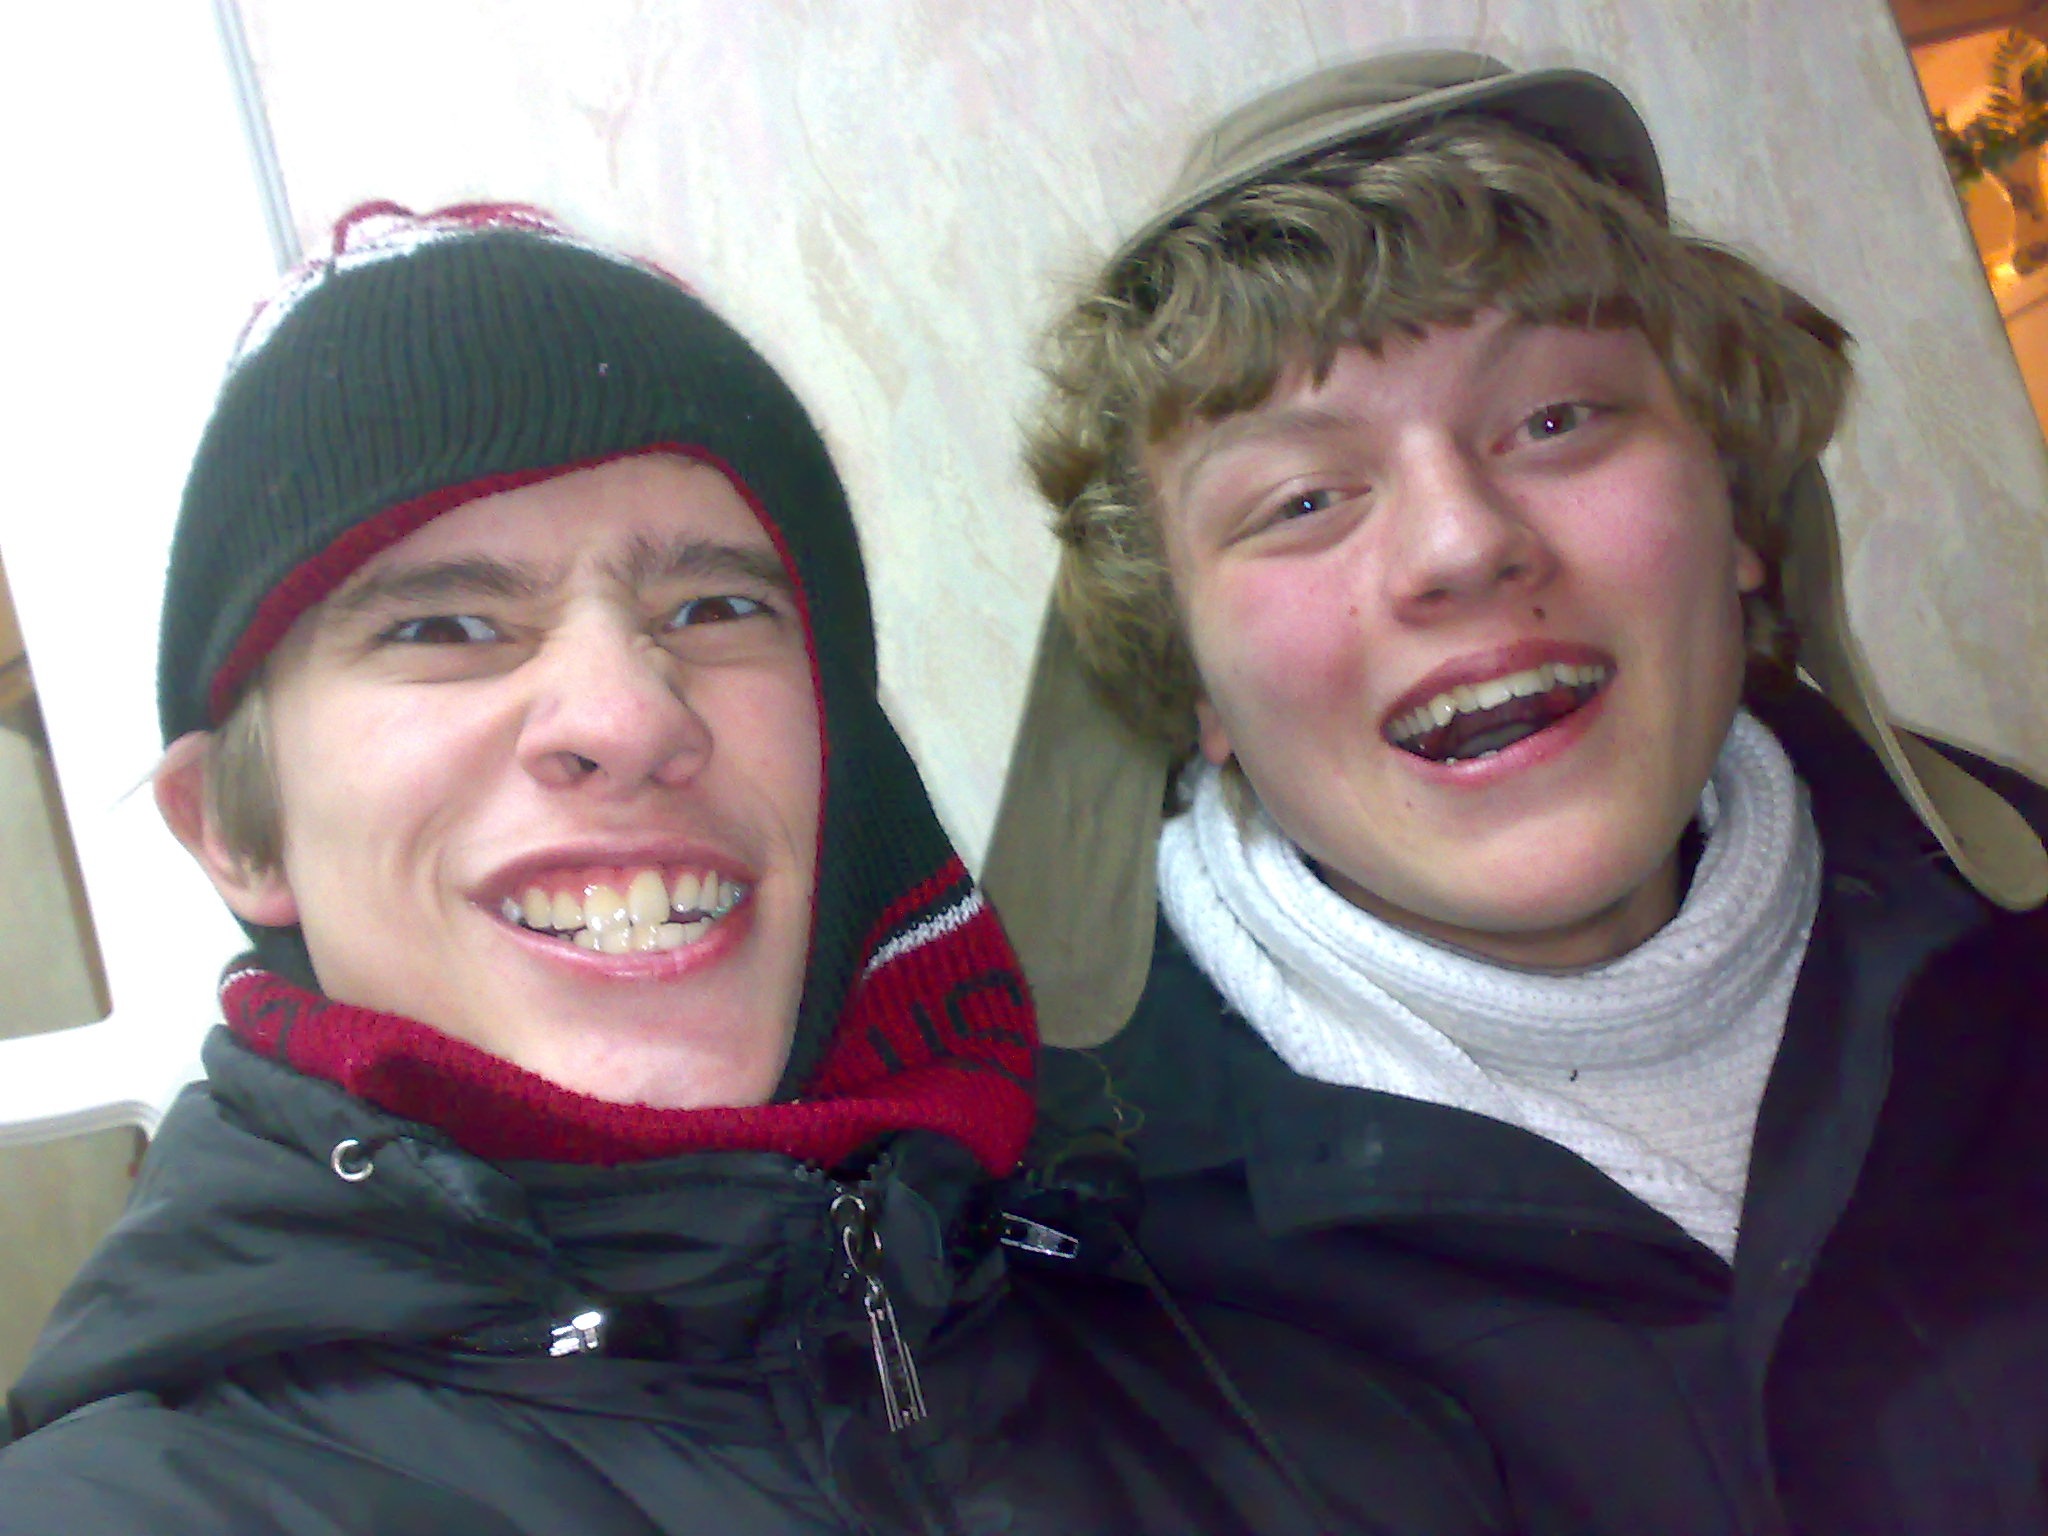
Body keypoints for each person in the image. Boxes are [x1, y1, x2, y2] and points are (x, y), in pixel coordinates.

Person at [0, 203, 1509, 1534]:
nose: (628, 715)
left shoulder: (1257, 1371)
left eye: (716, 608)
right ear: (237, 831)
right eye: (447, 627)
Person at [994, 50, 2048, 1536]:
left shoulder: (2022, 938)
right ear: (1195, 684)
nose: (1460, 543)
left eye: (1554, 419)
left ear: (1738, 513)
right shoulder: (1046, 1282)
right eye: (1303, 498)